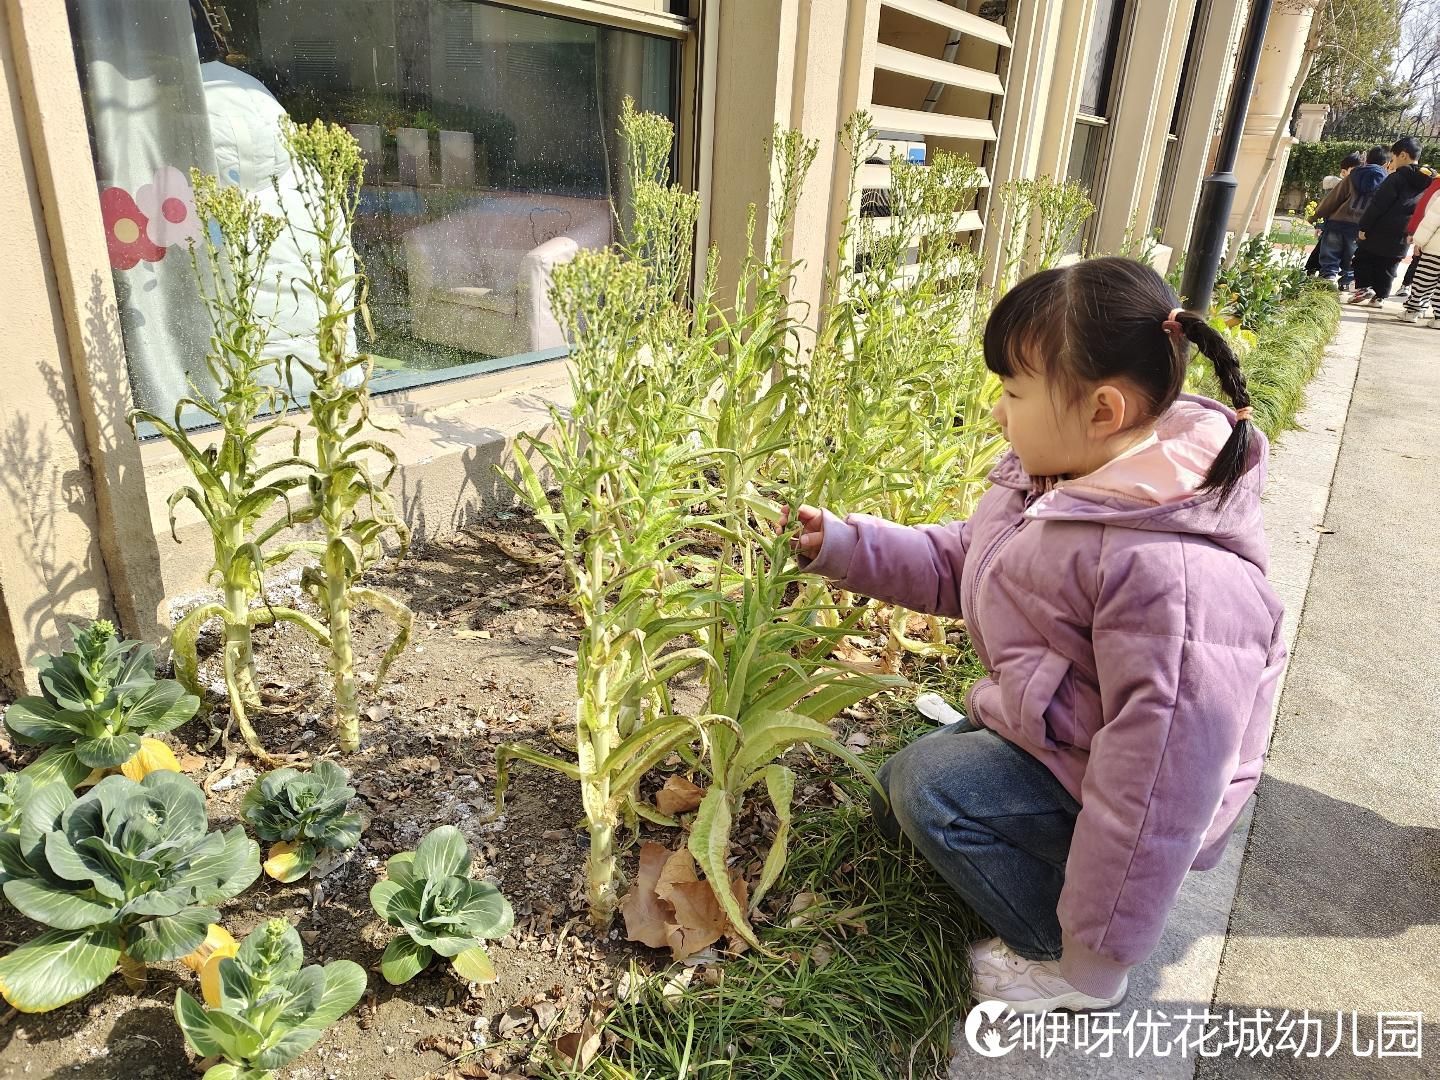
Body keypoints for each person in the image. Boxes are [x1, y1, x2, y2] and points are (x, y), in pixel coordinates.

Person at [786, 258, 1286, 1014]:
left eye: (1014, 392)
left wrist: (1095, 959)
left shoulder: (1170, 573)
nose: (997, 413)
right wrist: (849, 546)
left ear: (1102, 410)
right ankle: (1039, 857)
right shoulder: (1063, 481)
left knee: (930, 791)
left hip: (1122, 794)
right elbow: (969, 561)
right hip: (1068, 743)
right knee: (905, 780)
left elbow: (1156, 789)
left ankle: (1062, 948)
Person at [1351, 137, 1436, 306]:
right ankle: (1380, 296)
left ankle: (1364, 288)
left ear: (1403, 155)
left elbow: (1378, 204)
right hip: (1403, 233)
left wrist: (1364, 226)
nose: (1392, 162)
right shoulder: (1429, 182)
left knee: (1363, 257)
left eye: (1393, 158)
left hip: (1380, 229)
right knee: (1389, 266)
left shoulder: (1396, 178)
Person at [1309, 150, 1369, 289]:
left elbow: (1328, 204)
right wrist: (1319, 224)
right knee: (1348, 255)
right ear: (1343, 172)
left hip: (1337, 224)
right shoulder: (1370, 183)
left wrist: (1315, 217)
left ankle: (1331, 279)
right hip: (1353, 226)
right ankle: (1341, 280)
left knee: (1332, 253)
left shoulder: (1348, 182)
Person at [1398, 170, 1440, 326]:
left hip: (1435, 250)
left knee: (1423, 281)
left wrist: (1420, 241)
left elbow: (1431, 221)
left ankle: (1413, 311)